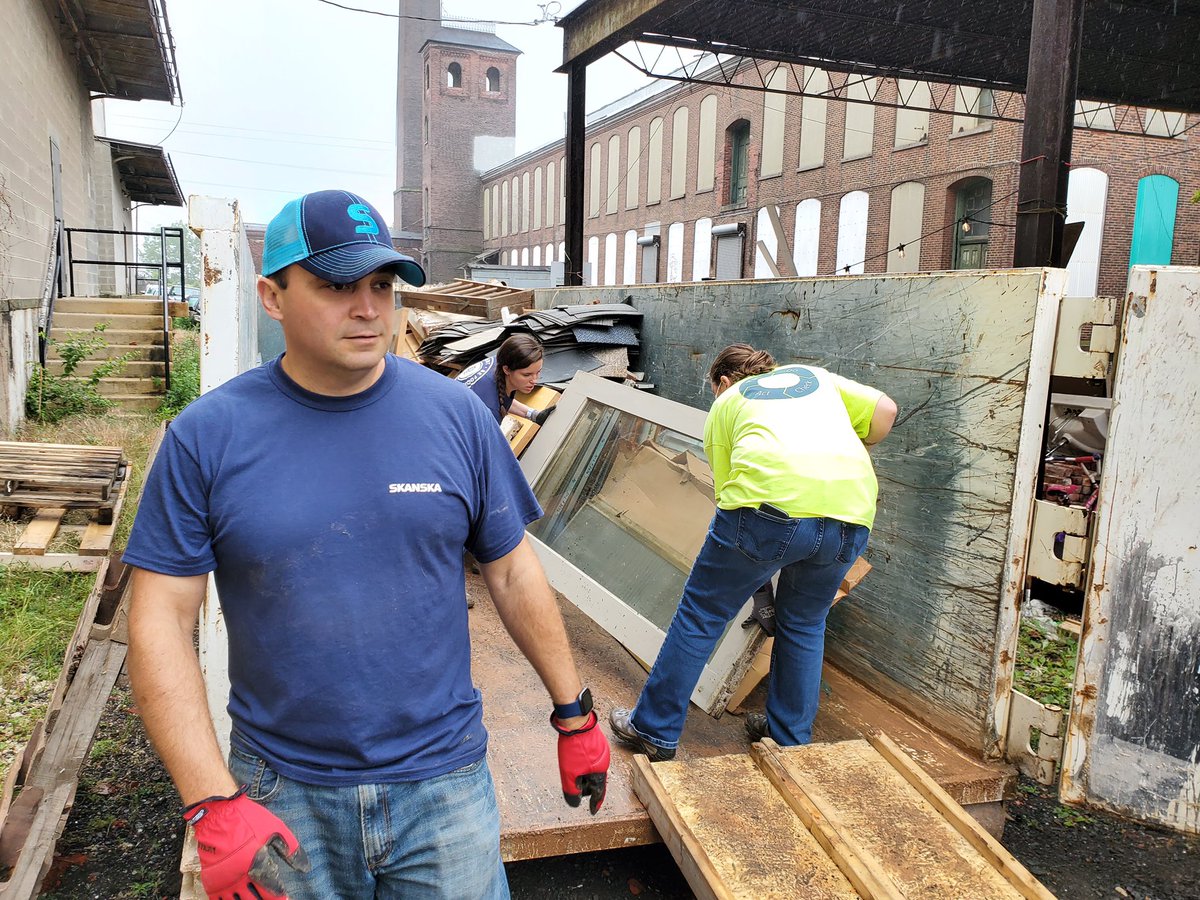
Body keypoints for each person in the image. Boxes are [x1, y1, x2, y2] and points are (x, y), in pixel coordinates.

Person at [124, 189, 610, 900]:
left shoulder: (455, 419)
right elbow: (159, 618)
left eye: (381, 285)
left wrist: (576, 715)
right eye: (335, 285)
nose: (368, 308)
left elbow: (509, 570)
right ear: (272, 295)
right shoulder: (208, 438)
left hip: (443, 785)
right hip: (283, 788)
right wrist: (210, 799)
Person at [609, 343, 897, 759]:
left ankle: (654, 729)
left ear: (723, 382)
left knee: (702, 613)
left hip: (768, 509)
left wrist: (755, 567)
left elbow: (729, 495)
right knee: (805, 623)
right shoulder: (811, 376)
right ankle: (789, 739)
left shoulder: (729, 403)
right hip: (851, 514)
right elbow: (886, 411)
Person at [457, 334, 556, 426]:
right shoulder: (489, 409)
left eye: (538, 372)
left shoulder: (502, 360)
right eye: (527, 375)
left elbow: (501, 397)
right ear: (507, 369)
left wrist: (533, 415)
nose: (534, 380)